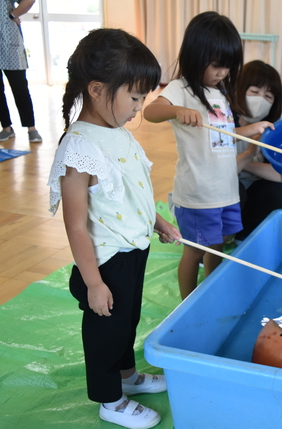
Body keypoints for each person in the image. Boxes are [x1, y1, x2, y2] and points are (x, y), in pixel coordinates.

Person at [47, 29, 182, 429]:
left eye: (143, 98)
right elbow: (75, 225)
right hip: (105, 262)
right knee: (106, 331)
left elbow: (130, 192)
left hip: (133, 251)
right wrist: (93, 283)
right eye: (135, 97)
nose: (139, 108)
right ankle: (110, 399)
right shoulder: (79, 148)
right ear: (97, 89)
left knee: (128, 319)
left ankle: (128, 377)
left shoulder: (117, 133)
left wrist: (157, 221)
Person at [144, 12, 273, 299]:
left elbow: (226, 132)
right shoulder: (181, 89)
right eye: (217, 66)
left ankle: (210, 296)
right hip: (199, 194)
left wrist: (253, 128)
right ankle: (187, 304)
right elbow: (150, 111)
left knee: (217, 247)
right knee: (196, 250)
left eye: (227, 68)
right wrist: (177, 110)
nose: (222, 73)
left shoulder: (219, 92)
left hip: (224, 191)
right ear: (196, 54)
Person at [233, 60, 282, 242]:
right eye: (254, 92)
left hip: (255, 193)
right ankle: (217, 238)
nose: (260, 99)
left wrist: (247, 163)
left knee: (276, 192)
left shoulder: (275, 130)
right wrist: (249, 153)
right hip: (224, 192)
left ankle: (245, 234)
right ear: (240, 89)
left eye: (268, 96)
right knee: (235, 189)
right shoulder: (224, 123)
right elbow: (220, 172)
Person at [0, 0, 42, 143]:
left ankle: (31, 128)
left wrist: (13, 15)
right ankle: (6, 127)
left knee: (19, 87)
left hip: (7, 42)